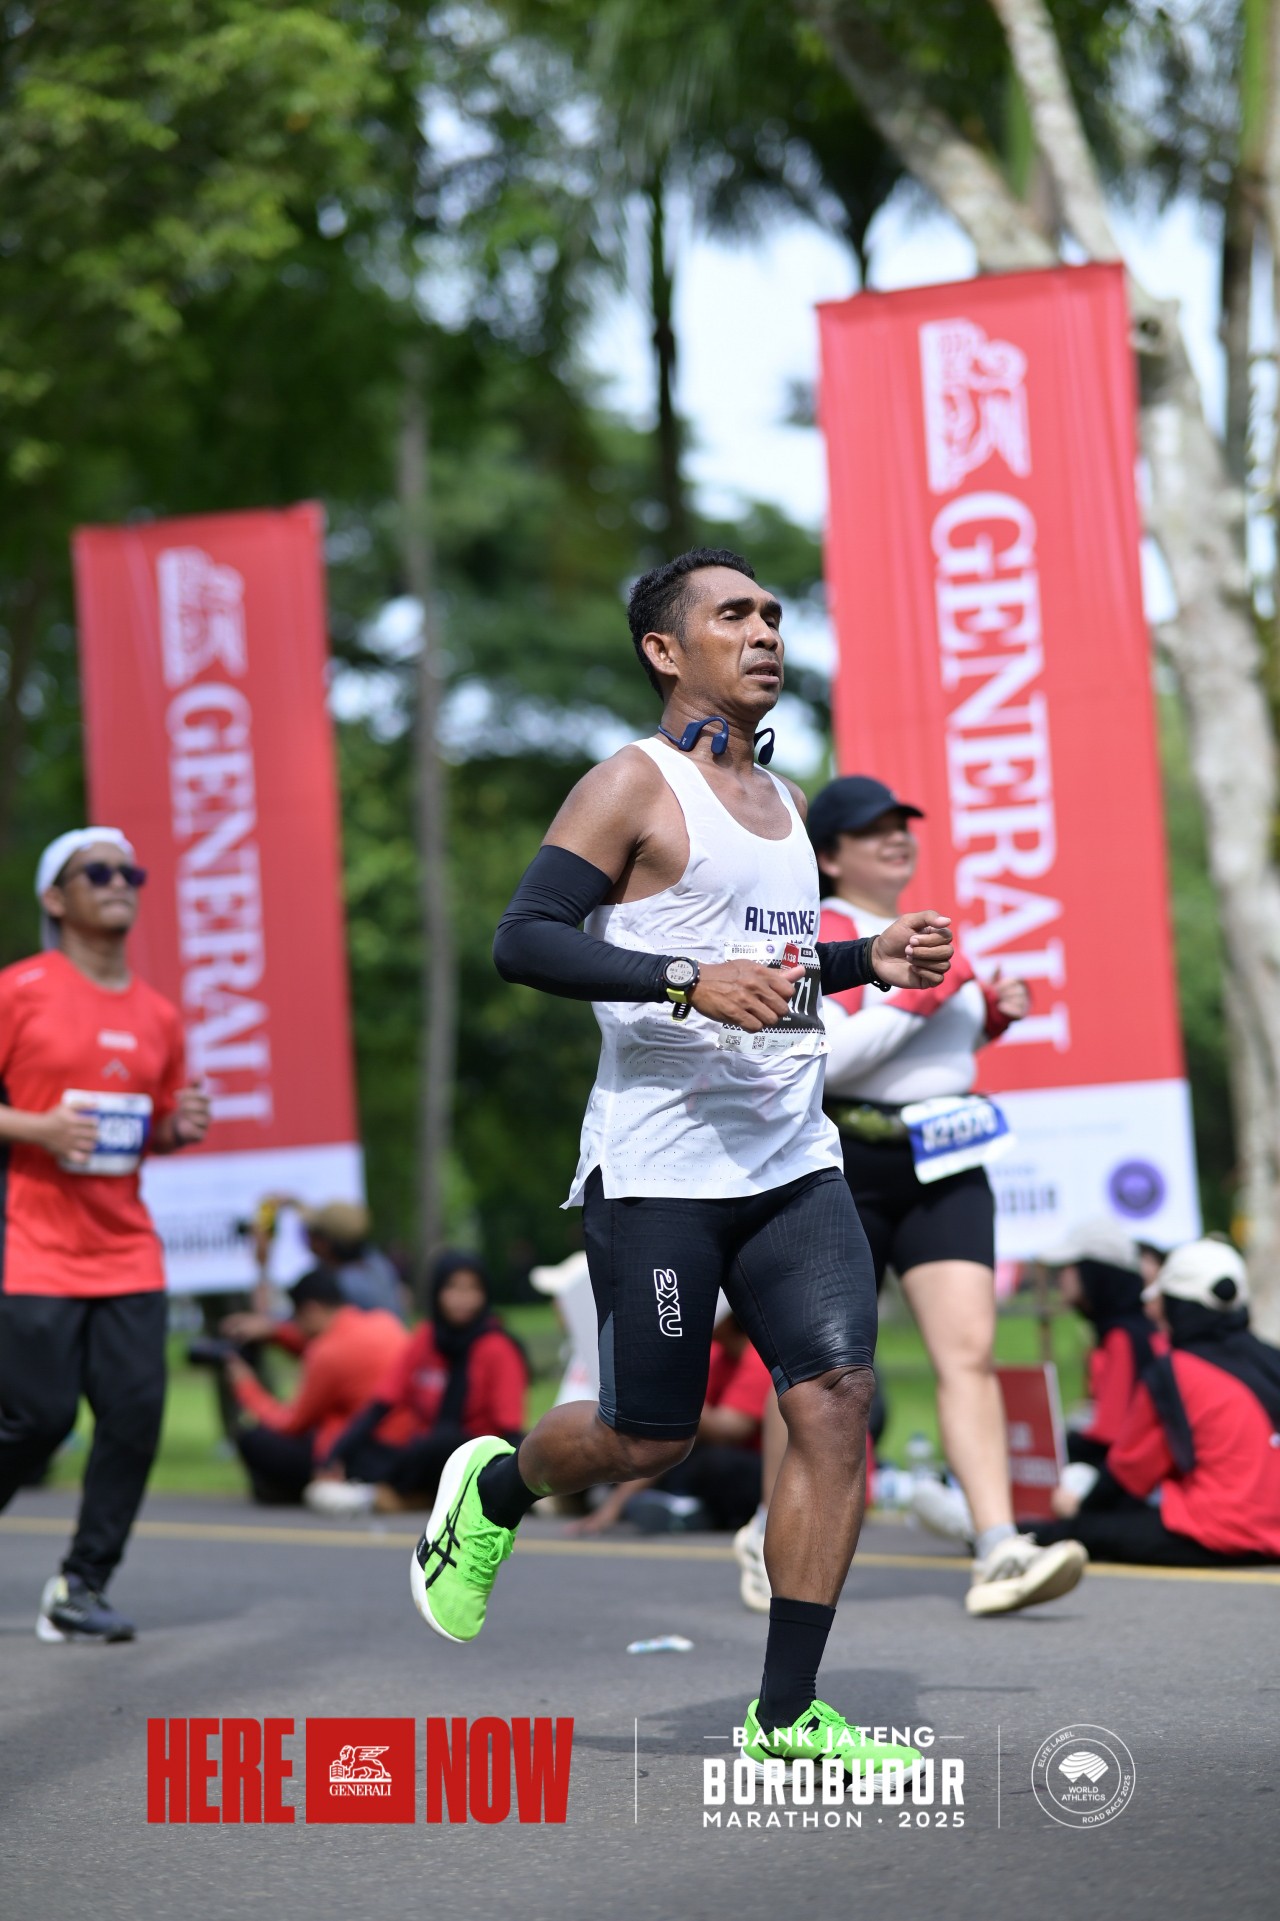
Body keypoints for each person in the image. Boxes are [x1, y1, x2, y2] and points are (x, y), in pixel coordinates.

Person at [406, 546, 956, 1787]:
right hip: (660, 1168)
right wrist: (678, 979)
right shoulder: (629, 784)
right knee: (643, 1439)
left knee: (834, 1398)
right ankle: (496, 1489)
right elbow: (523, 941)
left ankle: (786, 1712)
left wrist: (867, 958)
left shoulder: (786, 802)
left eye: (771, 614)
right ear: (665, 650)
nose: (764, 631)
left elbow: (772, 973)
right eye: (732, 615)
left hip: (791, 1158)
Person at [790, 773, 1087, 1617]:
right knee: (822, 1368)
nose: (896, 838)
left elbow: (940, 1051)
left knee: (969, 1354)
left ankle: (998, 1546)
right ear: (829, 855)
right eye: (871, 829)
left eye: (902, 825)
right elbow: (830, 1060)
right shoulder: (818, 933)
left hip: (947, 1159)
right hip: (844, 1159)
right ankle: (766, 1529)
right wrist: (930, 991)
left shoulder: (938, 928)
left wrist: (991, 1014)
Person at [0, 828, 211, 1642]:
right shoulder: (19, 990)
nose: (120, 880)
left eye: (131, 871)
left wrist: (178, 1127)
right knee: (37, 1418)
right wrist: (39, 1127)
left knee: (134, 1417)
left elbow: (148, 1126)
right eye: (98, 871)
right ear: (56, 898)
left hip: (126, 1248)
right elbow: (48, 1126)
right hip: (34, 1242)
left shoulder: (158, 1014)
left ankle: (80, 1585)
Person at [1034, 1239, 1280, 1566]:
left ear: (1177, 1304)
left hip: (1221, 1534)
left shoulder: (1173, 1372)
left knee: (1085, 1530)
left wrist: (1077, 1512)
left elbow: (1129, 1473)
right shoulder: (1272, 1359)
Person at [306, 1251, 528, 1517]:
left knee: (443, 1443)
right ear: (437, 1292)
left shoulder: (498, 1347)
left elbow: (509, 1429)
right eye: (453, 1288)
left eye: (472, 1289)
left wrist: (519, 1486)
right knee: (371, 1448)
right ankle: (391, 1493)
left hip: (475, 1458)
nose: (463, 1299)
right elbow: (380, 1405)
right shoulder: (427, 1338)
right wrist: (334, 1456)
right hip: (422, 1450)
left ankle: (381, 1494)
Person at [572, 1301, 773, 1535]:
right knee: (651, 1453)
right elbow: (677, 1426)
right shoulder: (717, 1355)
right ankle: (681, 1506)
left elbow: (730, 1431)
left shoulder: (756, 1358)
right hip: (708, 1460)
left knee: (715, 1463)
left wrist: (673, 1387)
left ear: (728, 1319)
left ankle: (687, 1506)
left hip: (755, 1469)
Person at [221, 1269, 408, 1503]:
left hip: (355, 1452)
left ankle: (294, 1490)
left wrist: (245, 1385)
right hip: (403, 1443)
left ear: (311, 1310)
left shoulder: (326, 1352)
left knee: (254, 1439)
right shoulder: (385, 1322)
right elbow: (328, 1351)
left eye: (296, 1318)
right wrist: (275, 1333)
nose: (296, 1326)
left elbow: (292, 1423)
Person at [1042, 1218, 1161, 1468]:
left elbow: (1110, 1434)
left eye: (1067, 1268)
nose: (1060, 1278)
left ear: (1093, 1273)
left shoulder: (1122, 1337)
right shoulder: (1126, 1330)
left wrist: (1054, 1449)